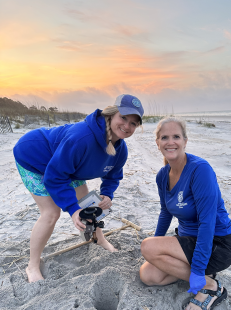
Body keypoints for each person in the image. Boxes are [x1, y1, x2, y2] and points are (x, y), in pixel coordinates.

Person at [13, 94, 144, 283]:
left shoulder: (120, 150)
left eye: (133, 123)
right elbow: (55, 176)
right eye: (123, 118)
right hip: (34, 157)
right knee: (51, 213)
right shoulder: (82, 138)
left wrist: (107, 194)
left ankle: (99, 239)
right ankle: (32, 265)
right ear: (112, 114)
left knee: (90, 202)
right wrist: (73, 210)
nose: (127, 126)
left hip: (67, 166)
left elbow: (113, 175)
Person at [139, 117, 231, 310]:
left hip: (218, 243)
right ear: (158, 143)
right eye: (164, 137)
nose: (170, 142)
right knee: (148, 275)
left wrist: (198, 269)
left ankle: (210, 285)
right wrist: (158, 241)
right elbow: (165, 211)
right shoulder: (162, 175)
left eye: (176, 136)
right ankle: (201, 275)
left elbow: (207, 223)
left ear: (185, 141)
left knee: (147, 247)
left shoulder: (200, 169)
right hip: (187, 241)